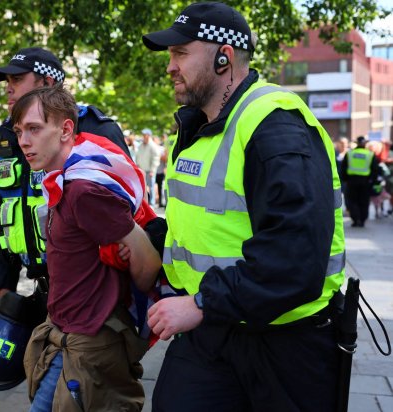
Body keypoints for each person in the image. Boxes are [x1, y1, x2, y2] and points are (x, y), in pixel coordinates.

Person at [142, 2, 346, 411]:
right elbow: (207, 226)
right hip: (213, 331)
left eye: (181, 53)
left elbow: (295, 257)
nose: (169, 66)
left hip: (284, 347)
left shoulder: (276, 125)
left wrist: (200, 304)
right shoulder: (198, 126)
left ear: (224, 56)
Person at [12, 86, 160, 411]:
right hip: (64, 338)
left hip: (88, 345)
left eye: (34, 129)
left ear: (66, 129)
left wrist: (118, 304)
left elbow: (147, 259)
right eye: (20, 131)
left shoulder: (83, 191)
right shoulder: (62, 180)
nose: (24, 141)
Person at [0, 47, 129, 298]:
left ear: (48, 82)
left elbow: (130, 207)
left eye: (17, 79)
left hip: (96, 286)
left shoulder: (95, 129)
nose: (8, 88)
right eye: (7, 81)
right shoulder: (4, 139)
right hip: (40, 287)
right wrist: (3, 286)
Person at [340, 135, 378, 227]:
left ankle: (355, 219)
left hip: (351, 181)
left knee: (352, 201)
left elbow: (343, 168)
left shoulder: (350, 154)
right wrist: (372, 181)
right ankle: (362, 220)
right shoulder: (370, 154)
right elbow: (374, 169)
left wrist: (345, 179)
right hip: (365, 182)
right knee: (364, 201)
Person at [135, 128, 160, 204]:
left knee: (151, 187)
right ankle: (145, 203)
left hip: (150, 171)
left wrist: (153, 170)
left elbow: (155, 159)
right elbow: (138, 156)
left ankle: (152, 203)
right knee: (143, 187)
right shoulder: (141, 145)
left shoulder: (153, 146)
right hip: (142, 170)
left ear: (149, 135)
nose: (143, 136)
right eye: (143, 135)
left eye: (145, 135)